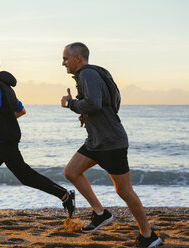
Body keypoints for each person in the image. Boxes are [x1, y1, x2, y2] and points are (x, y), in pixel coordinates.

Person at [0, 53, 75, 229]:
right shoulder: (6, 87)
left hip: (4, 141)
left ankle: (65, 195)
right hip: (1, 142)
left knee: (26, 176)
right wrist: (7, 120)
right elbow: (21, 110)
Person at [60, 42, 162, 248]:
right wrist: (85, 115)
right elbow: (101, 104)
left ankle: (149, 235)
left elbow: (95, 103)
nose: (63, 63)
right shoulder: (89, 75)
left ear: (78, 58)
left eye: (65, 58)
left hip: (111, 143)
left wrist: (70, 104)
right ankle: (101, 213)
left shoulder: (87, 74)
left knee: (125, 192)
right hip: (96, 142)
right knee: (71, 172)